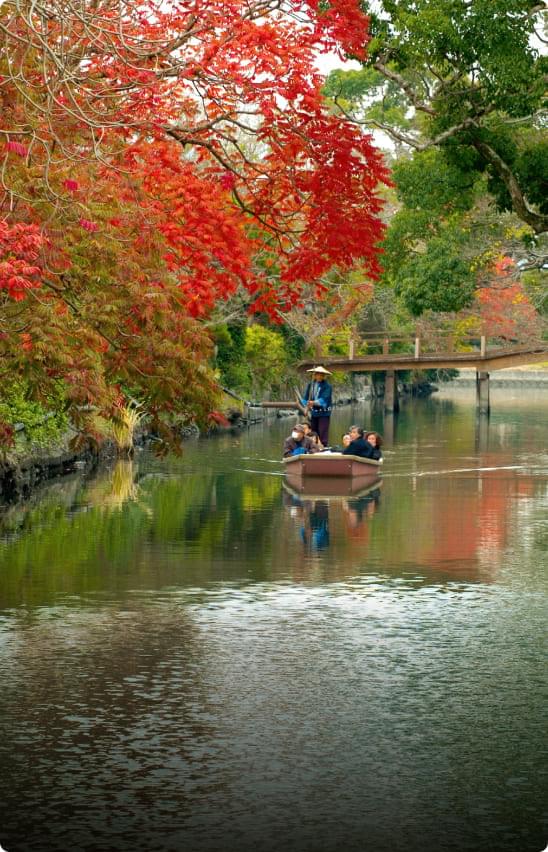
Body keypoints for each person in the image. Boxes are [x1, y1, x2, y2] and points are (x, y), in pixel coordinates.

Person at [301, 366, 333, 446]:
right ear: (314, 375)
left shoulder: (327, 386)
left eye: (321, 375)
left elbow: (324, 399)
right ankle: (313, 446)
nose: (319, 376)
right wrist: (306, 404)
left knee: (323, 431)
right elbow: (306, 397)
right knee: (313, 431)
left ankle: (323, 446)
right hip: (314, 412)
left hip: (324, 413)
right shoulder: (311, 385)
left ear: (324, 376)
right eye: (317, 374)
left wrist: (314, 402)